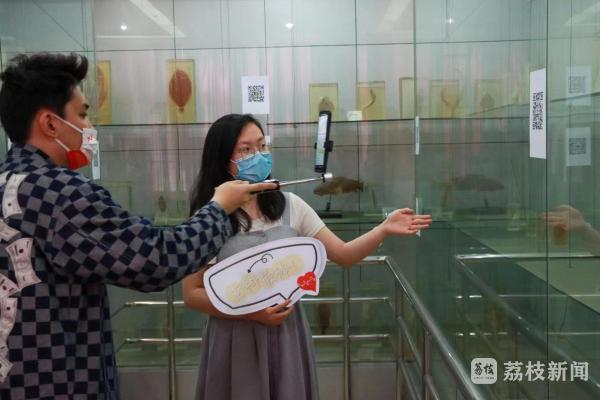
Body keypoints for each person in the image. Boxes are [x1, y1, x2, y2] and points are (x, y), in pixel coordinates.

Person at [0, 53, 275, 399]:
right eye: (82, 114)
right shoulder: (60, 193)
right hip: (56, 382)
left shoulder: (9, 183)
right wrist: (219, 209)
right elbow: (154, 258)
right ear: (50, 124)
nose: (89, 127)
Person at [182, 114, 432, 400]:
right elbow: (192, 294)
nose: (259, 156)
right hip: (234, 340)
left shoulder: (291, 206)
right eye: (246, 150)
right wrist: (251, 312)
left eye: (262, 146)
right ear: (223, 160)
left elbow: (344, 255)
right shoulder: (208, 218)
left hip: (286, 336)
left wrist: (383, 229)